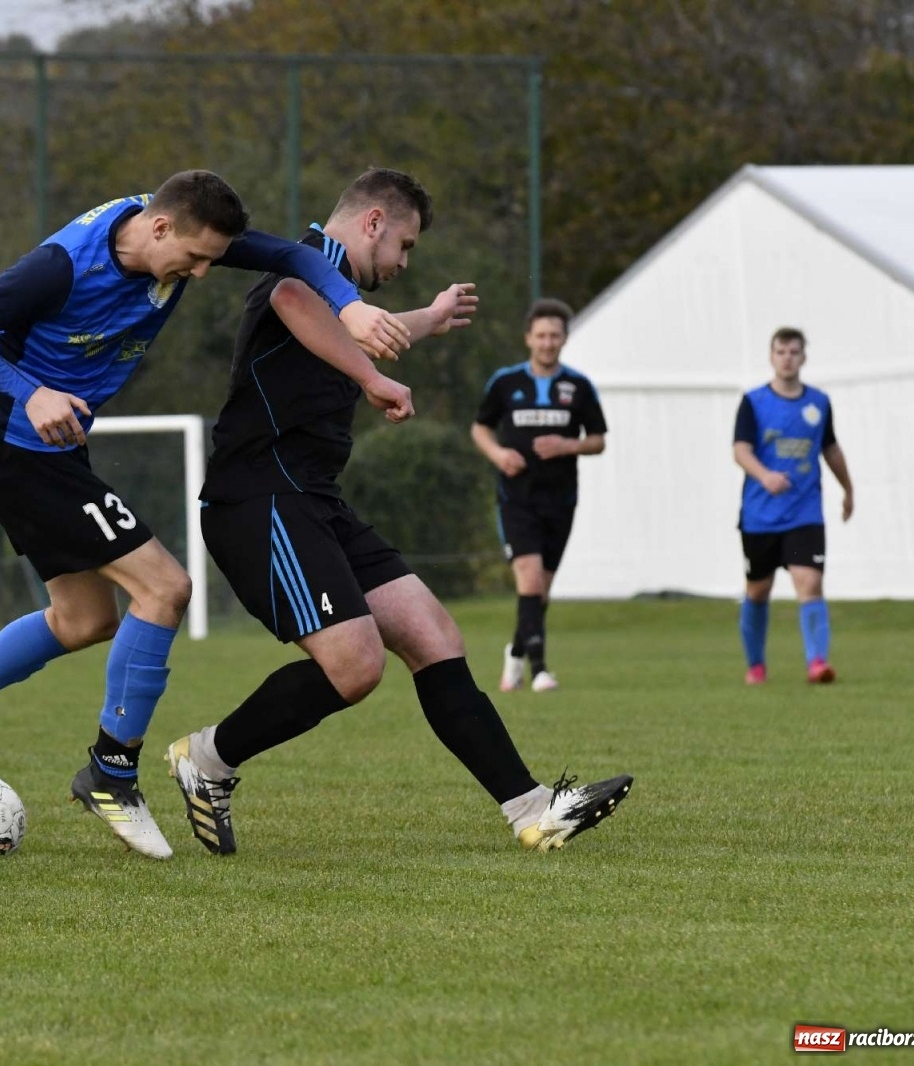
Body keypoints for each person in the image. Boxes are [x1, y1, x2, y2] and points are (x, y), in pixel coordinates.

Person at [0, 169, 412, 860]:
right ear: (160, 229)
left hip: (52, 455)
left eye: (211, 261)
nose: (202, 273)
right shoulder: (62, 267)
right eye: (192, 260)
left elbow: (291, 256)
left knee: (86, 620)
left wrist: (348, 304)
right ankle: (111, 771)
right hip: (18, 451)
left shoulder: (186, 230)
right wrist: (31, 391)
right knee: (165, 587)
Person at [164, 167, 632, 856]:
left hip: (314, 500)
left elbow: (352, 331)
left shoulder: (342, 297)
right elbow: (295, 299)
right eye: (404, 246)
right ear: (374, 223)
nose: (404, 263)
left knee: (434, 634)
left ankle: (533, 811)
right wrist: (372, 376)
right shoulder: (313, 264)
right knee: (355, 667)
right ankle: (206, 759)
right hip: (259, 499)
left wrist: (425, 324)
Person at [471, 298, 607, 693]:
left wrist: (567, 447)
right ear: (529, 338)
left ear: (564, 339)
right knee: (529, 581)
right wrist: (498, 454)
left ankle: (515, 652)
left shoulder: (579, 387)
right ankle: (540, 669)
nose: (548, 343)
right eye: (541, 335)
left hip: (561, 500)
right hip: (516, 500)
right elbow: (480, 428)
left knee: (540, 591)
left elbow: (598, 441)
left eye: (555, 336)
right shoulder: (505, 382)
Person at [733, 327, 852, 684]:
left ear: (804, 357)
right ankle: (756, 665)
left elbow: (830, 449)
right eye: (781, 351)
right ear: (771, 356)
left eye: (794, 352)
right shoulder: (753, 401)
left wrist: (848, 488)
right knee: (758, 590)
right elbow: (740, 449)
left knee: (810, 583)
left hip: (805, 512)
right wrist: (764, 475)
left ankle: (817, 663)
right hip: (760, 515)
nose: (787, 358)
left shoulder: (818, 402)